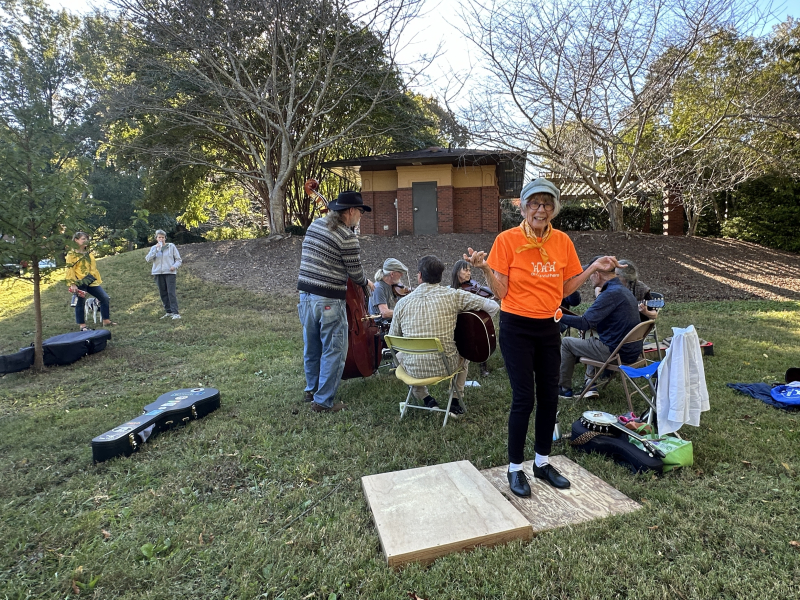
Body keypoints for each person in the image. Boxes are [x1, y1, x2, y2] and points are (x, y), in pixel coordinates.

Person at [465, 178, 618, 496]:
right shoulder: (507, 240)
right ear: (522, 206)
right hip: (516, 327)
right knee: (524, 398)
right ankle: (515, 468)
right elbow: (502, 292)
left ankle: (542, 462)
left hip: (549, 327)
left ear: (554, 209)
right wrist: (484, 269)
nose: (541, 209)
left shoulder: (562, 241)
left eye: (547, 204)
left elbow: (564, 289)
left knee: (549, 397)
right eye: (534, 203)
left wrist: (591, 269)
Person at [389, 255, 499, 417]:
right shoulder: (454, 295)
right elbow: (493, 306)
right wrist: (464, 323)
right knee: (464, 355)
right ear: (440, 276)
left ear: (419, 276)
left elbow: (393, 339)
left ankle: (426, 399)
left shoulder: (402, 303)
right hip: (446, 366)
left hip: (413, 370)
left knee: (399, 354)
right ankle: (455, 400)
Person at [297, 191, 375, 413]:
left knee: (312, 346)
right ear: (350, 211)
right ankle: (323, 402)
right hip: (328, 298)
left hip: (305, 296)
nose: (360, 216)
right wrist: (367, 283)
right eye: (360, 212)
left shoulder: (315, 225)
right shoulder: (347, 236)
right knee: (334, 349)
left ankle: (311, 389)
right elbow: (356, 273)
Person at [557, 256, 643, 400]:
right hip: (631, 351)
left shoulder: (610, 294)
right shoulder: (622, 290)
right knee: (592, 339)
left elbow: (584, 323)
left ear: (597, 274)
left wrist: (557, 316)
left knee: (566, 343)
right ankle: (590, 383)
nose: (589, 278)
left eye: (591, 274)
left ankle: (564, 389)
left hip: (616, 353)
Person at [65, 231, 117, 331]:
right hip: (79, 281)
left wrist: (94, 277)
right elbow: (69, 269)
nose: (86, 241)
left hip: (91, 280)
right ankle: (82, 325)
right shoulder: (71, 254)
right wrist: (73, 283)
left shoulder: (88, 253)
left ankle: (106, 320)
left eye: (86, 239)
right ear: (76, 240)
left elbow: (92, 267)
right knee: (80, 303)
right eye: (83, 239)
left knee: (104, 298)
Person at [450, 259, 492, 377]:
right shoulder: (452, 289)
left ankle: (483, 365)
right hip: (458, 320)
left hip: (472, 319)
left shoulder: (472, 286)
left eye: (469, 270)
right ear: (457, 272)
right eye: (465, 270)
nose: (468, 273)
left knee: (479, 331)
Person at [145, 229, 183, 320]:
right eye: (159, 237)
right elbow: (148, 259)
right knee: (163, 293)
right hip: (158, 273)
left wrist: (174, 266)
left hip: (170, 272)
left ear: (165, 238)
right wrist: (156, 250)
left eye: (162, 237)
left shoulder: (171, 246)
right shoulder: (154, 248)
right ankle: (168, 311)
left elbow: (179, 260)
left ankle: (175, 313)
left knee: (171, 292)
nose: (161, 239)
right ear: (156, 238)